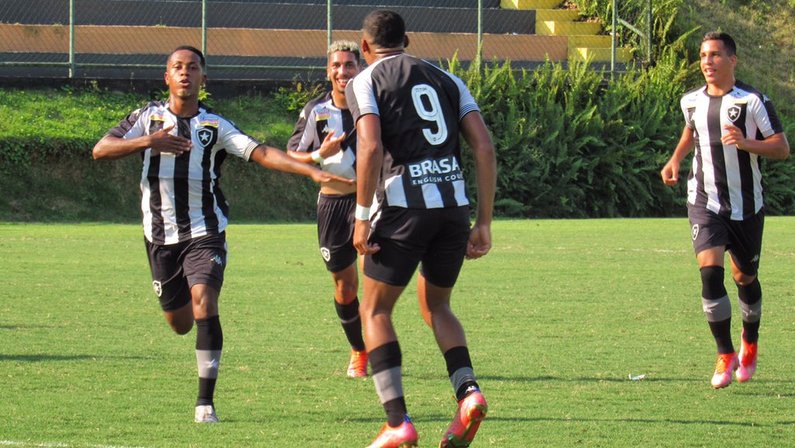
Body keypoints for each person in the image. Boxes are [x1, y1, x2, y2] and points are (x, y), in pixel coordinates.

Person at [92, 45, 352, 423]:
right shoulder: (147, 118)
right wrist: (149, 142)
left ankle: (205, 403)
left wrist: (309, 169)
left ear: (203, 79)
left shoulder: (214, 126)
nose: (185, 73)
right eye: (177, 68)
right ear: (167, 77)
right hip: (160, 236)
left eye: (192, 67)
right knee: (179, 323)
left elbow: (261, 152)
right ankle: (196, 362)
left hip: (205, 231)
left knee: (204, 303)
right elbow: (101, 149)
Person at [345, 10, 497, 447]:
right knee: (437, 307)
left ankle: (397, 423)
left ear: (366, 45)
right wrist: (483, 220)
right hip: (453, 208)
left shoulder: (366, 79)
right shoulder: (448, 78)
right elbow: (483, 145)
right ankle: (468, 394)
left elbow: (371, 144)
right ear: (407, 40)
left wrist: (359, 216)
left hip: (402, 208)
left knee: (374, 311)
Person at [661, 32, 790, 389]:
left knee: (744, 278)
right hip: (705, 200)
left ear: (732, 60)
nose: (707, 62)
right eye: (703, 55)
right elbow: (692, 131)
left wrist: (746, 143)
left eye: (715, 55)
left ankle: (750, 342)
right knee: (710, 273)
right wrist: (675, 159)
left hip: (748, 206)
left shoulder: (753, 101)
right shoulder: (690, 101)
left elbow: (781, 148)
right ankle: (725, 352)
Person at [285, 40, 369, 378]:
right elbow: (293, 153)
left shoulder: (373, 107)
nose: (342, 71)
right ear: (328, 71)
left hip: (372, 201)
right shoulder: (316, 111)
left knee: (377, 274)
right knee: (345, 287)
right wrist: (321, 153)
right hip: (333, 203)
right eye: (337, 66)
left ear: (359, 68)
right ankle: (359, 350)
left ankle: (380, 347)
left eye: (349, 65)